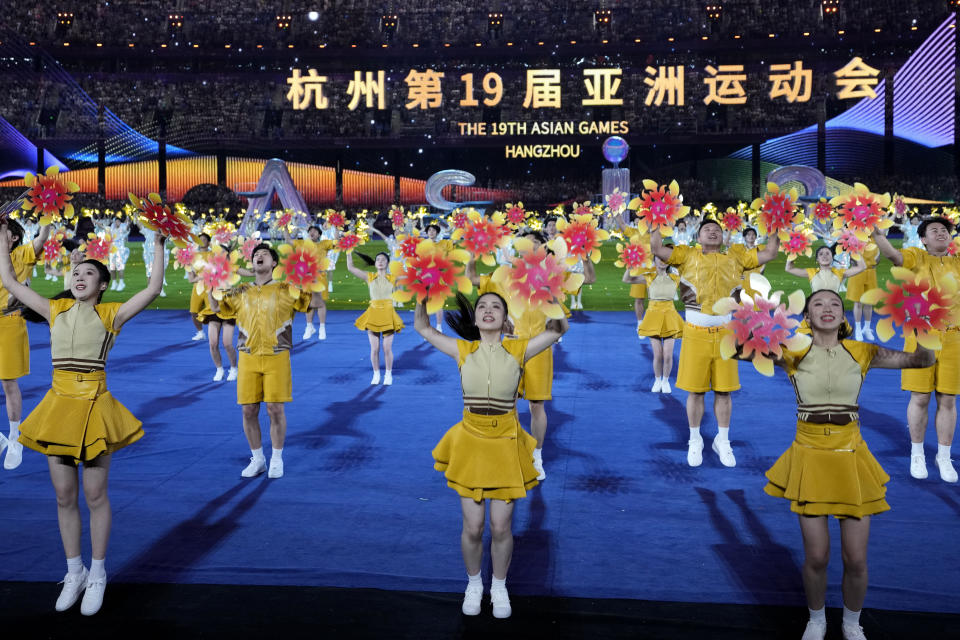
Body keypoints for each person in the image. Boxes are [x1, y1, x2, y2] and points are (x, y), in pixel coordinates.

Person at [0, 222, 165, 616]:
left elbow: (152, 289)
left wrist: (159, 244)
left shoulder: (112, 314)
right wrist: (3, 240)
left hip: (94, 406)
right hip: (58, 407)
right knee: (63, 496)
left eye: (89, 272)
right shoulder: (53, 308)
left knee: (94, 496)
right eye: (76, 271)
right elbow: (8, 279)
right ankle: (74, 570)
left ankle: (99, 573)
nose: (79, 276)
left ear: (102, 285)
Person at [754, 288, 934, 640]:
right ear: (806, 317)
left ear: (844, 316)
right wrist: (754, 321)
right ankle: (816, 619)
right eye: (818, 304)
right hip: (809, 454)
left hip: (851, 455)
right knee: (817, 557)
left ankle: (852, 623)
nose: (827, 308)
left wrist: (922, 324)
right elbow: (741, 351)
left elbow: (922, 361)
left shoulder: (863, 351)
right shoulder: (792, 350)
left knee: (856, 559)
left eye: (835, 303)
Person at [416, 292, 567, 619]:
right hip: (470, 442)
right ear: (475, 318)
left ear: (505, 317)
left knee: (501, 527)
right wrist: (421, 296)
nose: (487, 311)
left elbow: (557, 330)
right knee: (473, 527)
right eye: (482, 306)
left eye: (495, 306)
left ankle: (499, 586)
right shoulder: (462, 349)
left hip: (504, 444)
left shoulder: (519, 348)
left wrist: (551, 296)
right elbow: (423, 328)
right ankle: (474, 584)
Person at [649, 218, 780, 467]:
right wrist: (656, 222)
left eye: (717, 230)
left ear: (724, 237)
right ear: (697, 238)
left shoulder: (737, 256)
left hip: (725, 334)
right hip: (695, 333)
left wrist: (776, 225)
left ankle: (723, 439)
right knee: (695, 390)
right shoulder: (686, 255)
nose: (712, 232)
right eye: (707, 230)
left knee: (724, 390)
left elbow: (771, 252)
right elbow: (657, 249)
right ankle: (695, 439)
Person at [871, 217, 960, 482]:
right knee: (920, 398)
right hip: (921, 335)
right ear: (923, 239)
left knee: (948, 399)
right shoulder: (916, 257)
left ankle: (944, 457)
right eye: (934, 231)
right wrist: (878, 236)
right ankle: (917, 453)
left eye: (944, 230)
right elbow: (893, 256)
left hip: (954, 338)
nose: (941, 233)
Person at [209, 243, 309, 479]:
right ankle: (258, 459)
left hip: (277, 354)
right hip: (248, 356)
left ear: (274, 263)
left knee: (275, 409)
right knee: (248, 410)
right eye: (255, 255)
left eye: (264, 254)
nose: (259, 256)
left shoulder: (287, 288)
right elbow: (216, 306)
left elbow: (307, 302)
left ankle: (276, 458)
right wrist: (212, 280)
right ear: (252, 264)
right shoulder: (240, 290)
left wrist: (308, 277)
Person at [0, 219, 50, 470]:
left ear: (14, 238)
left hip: (8, 323)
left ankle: (14, 437)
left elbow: (41, 239)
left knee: (9, 383)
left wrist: (46, 222)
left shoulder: (21, 254)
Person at [624, 255, 683, 392]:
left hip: (670, 317)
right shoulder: (648, 276)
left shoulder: (676, 277)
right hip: (653, 317)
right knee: (658, 354)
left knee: (668, 355)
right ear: (654, 260)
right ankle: (657, 380)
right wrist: (630, 265)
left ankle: (666, 381)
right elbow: (627, 279)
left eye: (665, 259)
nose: (662, 262)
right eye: (659, 259)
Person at [346, 251, 404, 385]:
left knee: (387, 348)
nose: (381, 261)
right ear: (375, 263)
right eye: (378, 259)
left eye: (383, 259)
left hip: (388, 314)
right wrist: (348, 253)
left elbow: (413, 276)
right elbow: (351, 268)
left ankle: (388, 375)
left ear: (388, 263)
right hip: (373, 313)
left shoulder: (393, 277)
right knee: (375, 348)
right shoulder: (369, 276)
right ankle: (376, 374)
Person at [846, 242, 879, 341]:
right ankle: (858, 328)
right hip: (857, 272)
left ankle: (867, 328)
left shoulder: (874, 239)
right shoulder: (853, 239)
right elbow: (851, 258)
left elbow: (877, 259)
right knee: (858, 302)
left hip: (871, 273)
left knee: (869, 303)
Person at [186, 233, 212, 341]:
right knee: (193, 311)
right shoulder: (193, 256)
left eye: (204, 239)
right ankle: (200, 332)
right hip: (198, 286)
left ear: (209, 242)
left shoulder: (214, 254)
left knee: (213, 311)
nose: (202, 241)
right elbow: (191, 278)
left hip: (211, 286)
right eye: (200, 239)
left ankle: (213, 333)